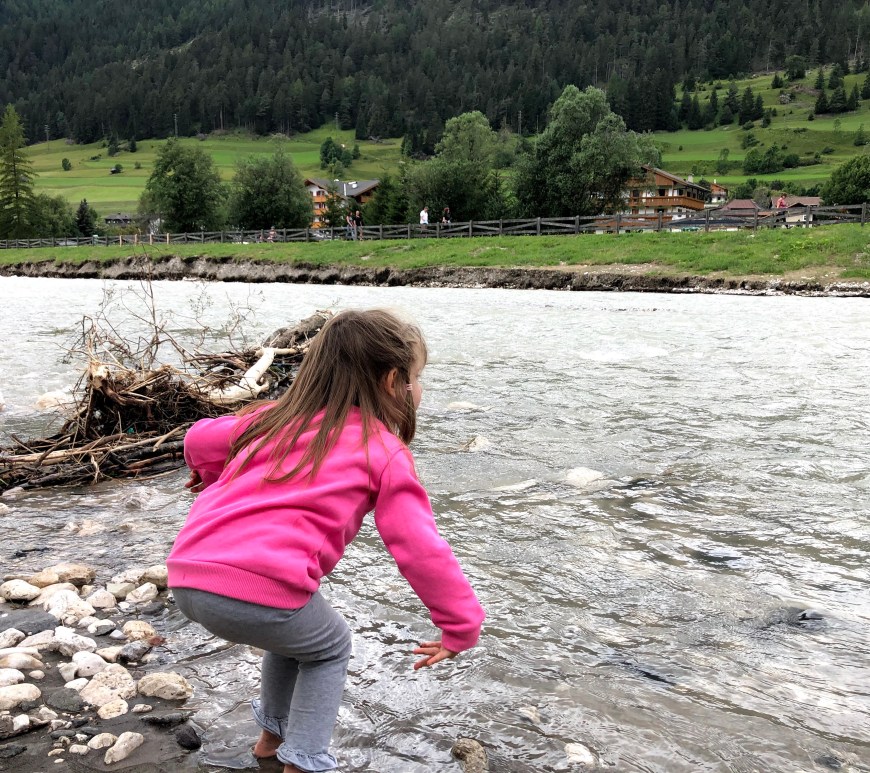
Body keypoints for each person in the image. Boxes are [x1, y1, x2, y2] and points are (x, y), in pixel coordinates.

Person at [166, 309, 485, 773]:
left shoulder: (270, 419)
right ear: (392, 381)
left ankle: (271, 741)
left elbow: (200, 436)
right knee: (331, 646)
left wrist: (209, 472)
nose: (420, 388)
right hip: (259, 590)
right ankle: (303, 762)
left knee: (296, 637)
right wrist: (460, 624)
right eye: (417, 377)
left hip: (186, 577)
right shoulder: (383, 451)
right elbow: (420, 549)